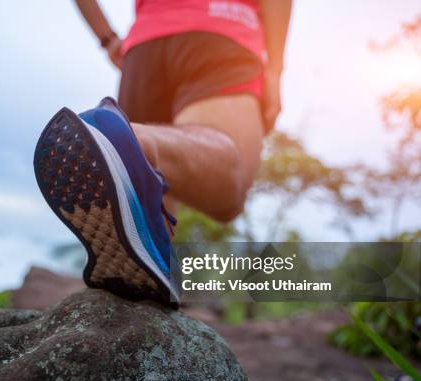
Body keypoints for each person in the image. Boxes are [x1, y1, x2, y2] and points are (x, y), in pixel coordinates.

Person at [33, 0, 292, 306]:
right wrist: (274, 70)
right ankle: (128, 140)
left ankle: (152, 269)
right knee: (229, 190)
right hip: (221, 30)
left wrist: (109, 40)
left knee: (145, 203)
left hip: (143, 48)